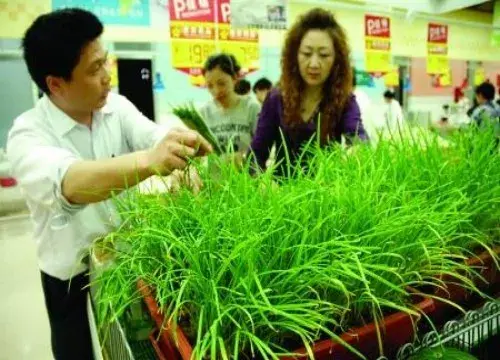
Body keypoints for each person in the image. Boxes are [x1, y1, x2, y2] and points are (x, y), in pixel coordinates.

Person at [6, 9, 211, 360]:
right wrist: (149, 161)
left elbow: (150, 134)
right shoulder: (28, 134)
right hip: (72, 277)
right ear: (56, 84)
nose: (108, 76)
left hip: (126, 263)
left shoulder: (115, 107)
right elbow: (69, 182)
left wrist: (178, 150)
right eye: (94, 69)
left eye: (106, 61)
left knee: (132, 348)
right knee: (78, 352)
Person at [248, 8, 367, 176]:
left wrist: (357, 151)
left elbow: (358, 138)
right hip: (280, 196)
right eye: (306, 53)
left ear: (336, 61)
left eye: (324, 55)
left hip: (326, 194)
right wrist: (261, 184)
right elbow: (255, 156)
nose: (314, 63)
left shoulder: (344, 101)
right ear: (294, 55)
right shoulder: (277, 98)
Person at [199, 53, 261, 153]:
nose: (216, 91)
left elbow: (261, 148)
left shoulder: (251, 108)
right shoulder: (204, 112)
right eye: (210, 86)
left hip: (245, 168)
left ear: (234, 78)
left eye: (221, 83)